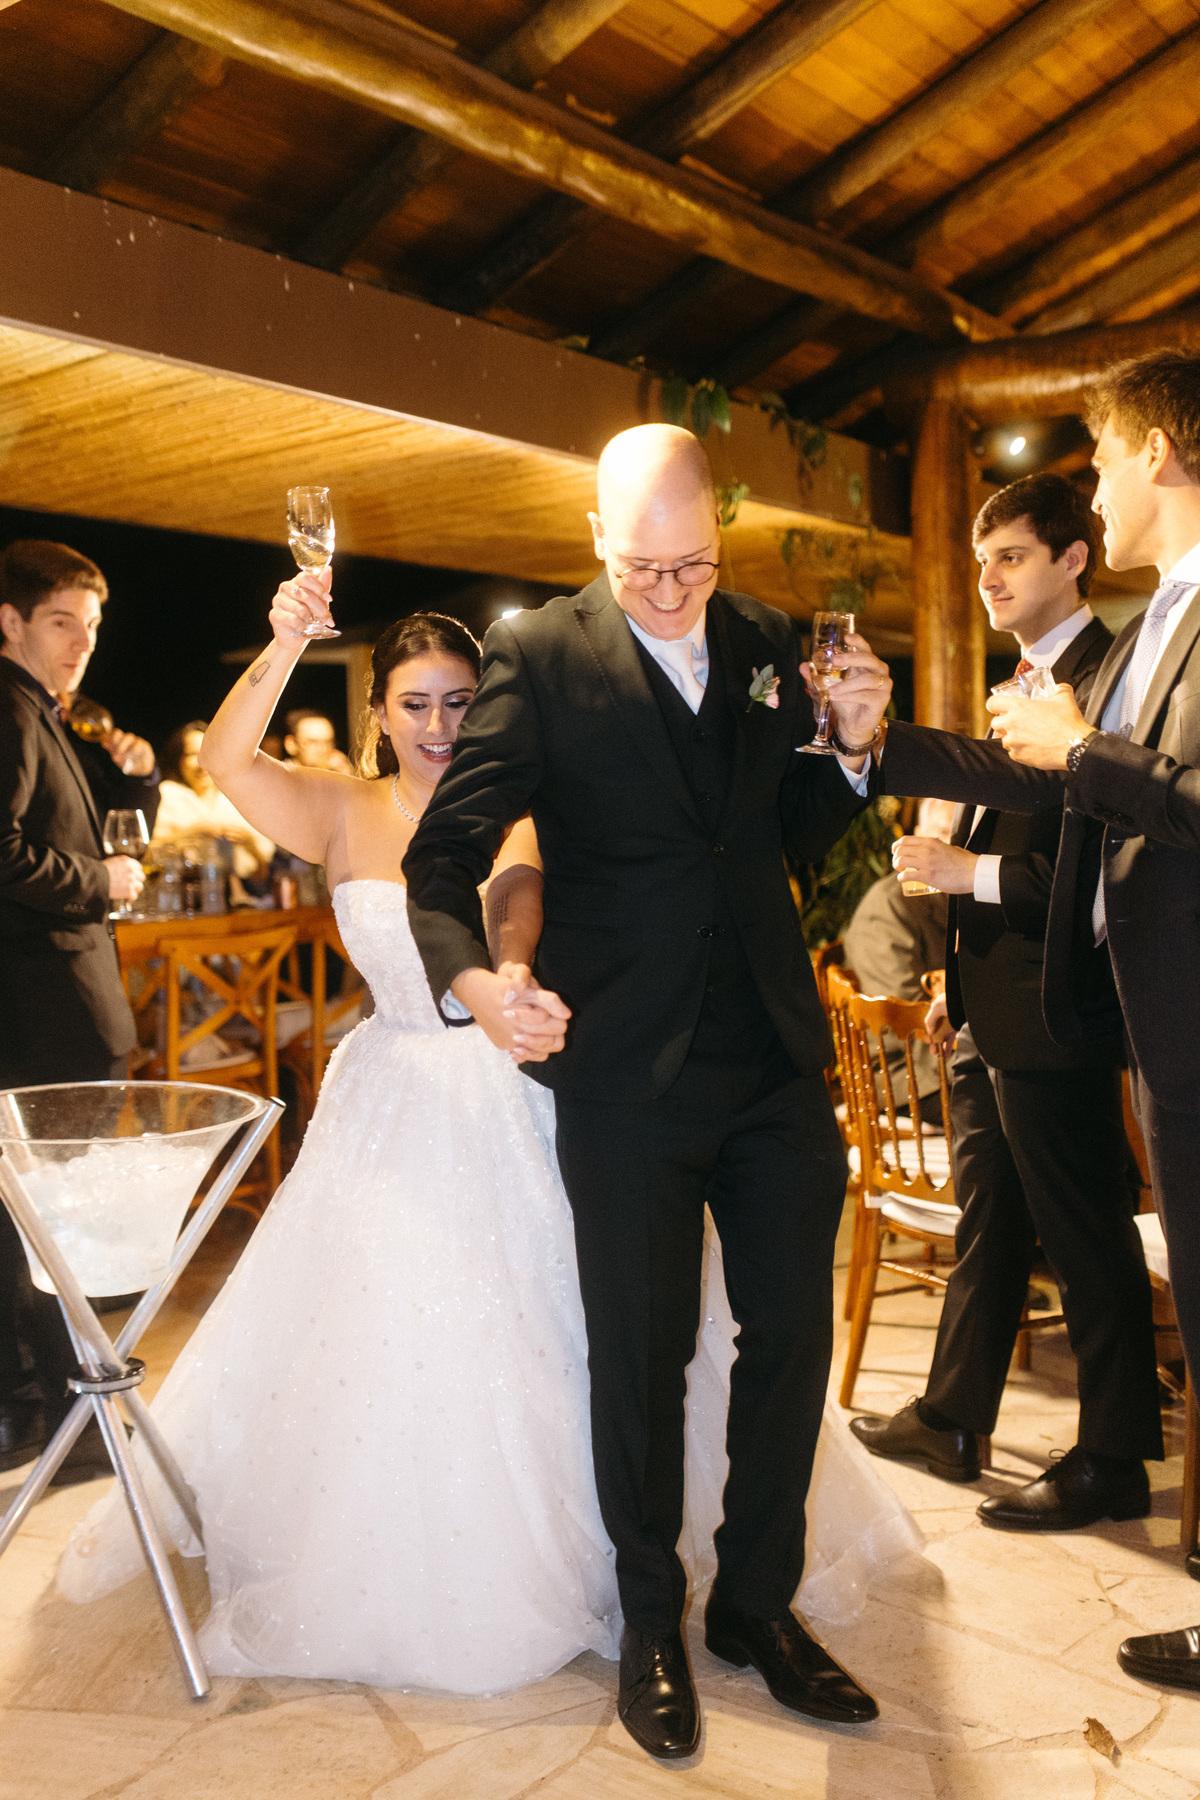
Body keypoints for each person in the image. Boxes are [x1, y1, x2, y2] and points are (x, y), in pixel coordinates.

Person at [58, 583, 922, 1690]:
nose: (438, 725)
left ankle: (656, 1570)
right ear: (378, 714)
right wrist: (283, 640)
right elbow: (228, 760)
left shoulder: (521, 801)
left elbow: (517, 899)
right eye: (414, 704)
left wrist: (510, 971)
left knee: (593, 1329)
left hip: (518, 1081)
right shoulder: (337, 811)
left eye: (460, 701)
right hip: (391, 1102)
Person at [402, 424, 891, 1756]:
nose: (672, 594)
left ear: (720, 539)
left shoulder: (769, 639)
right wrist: (477, 984)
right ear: (596, 543)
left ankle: (756, 1606)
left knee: (792, 1341)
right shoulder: (540, 657)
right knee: (641, 1353)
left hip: (773, 1061)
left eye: (694, 565)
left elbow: (781, 838)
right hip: (624, 1069)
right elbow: (443, 856)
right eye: (642, 570)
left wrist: (851, 756)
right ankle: (649, 1621)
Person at [842, 351, 1200, 1694]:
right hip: (1137, 1012)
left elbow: (1119, 794)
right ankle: (978, 1419)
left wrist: (1080, 752)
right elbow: (1035, 777)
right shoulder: (1158, 622)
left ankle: (1117, 1460)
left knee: (1122, 1248)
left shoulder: (1154, 633)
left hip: (1145, 1005)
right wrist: (875, 742)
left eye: (1101, 457)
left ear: (1159, 449)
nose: (1096, 488)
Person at [849, 473, 1162, 1522]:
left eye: (1012, 556)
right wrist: (953, 974)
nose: (989, 578)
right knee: (990, 1217)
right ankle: (952, 1418)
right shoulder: (1020, 678)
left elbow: (1093, 869)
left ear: (1073, 559)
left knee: (1086, 1235)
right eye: (982, 560)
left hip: (1058, 1006)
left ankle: (1114, 1457)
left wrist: (961, 874)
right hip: (990, 1001)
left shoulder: (1106, 681)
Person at [0, 539, 146, 1484]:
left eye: (90, 627)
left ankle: (39, 1412)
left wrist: (136, 783)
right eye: (61, 622)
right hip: (44, 1012)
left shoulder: (38, 710)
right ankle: (64, 1419)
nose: (81, 643)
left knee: (37, 1224)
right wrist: (103, 880)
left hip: (48, 1009)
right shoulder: (8, 707)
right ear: (8, 621)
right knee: (52, 1225)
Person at [843, 796, 953, 1127]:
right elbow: (906, 1022)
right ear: (916, 836)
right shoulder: (889, 908)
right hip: (907, 1075)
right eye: (942, 834)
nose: (952, 847)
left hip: (949, 1053)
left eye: (961, 836)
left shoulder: (959, 897)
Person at [151, 719, 274, 878]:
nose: (202, 764)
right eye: (192, 754)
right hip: (181, 885)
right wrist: (193, 832)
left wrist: (250, 843)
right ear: (178, 759)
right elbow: (149, 853)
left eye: (208, 752)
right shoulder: (168, 794)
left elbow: (262, 875)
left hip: (235, 889)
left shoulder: (237, 797)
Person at [283, 706, 353, 774]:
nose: (322, 749)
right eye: (312, 743)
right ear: (291, 744)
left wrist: (345, 777)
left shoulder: (334, 775)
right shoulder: (279, 777)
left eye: (328, 743)